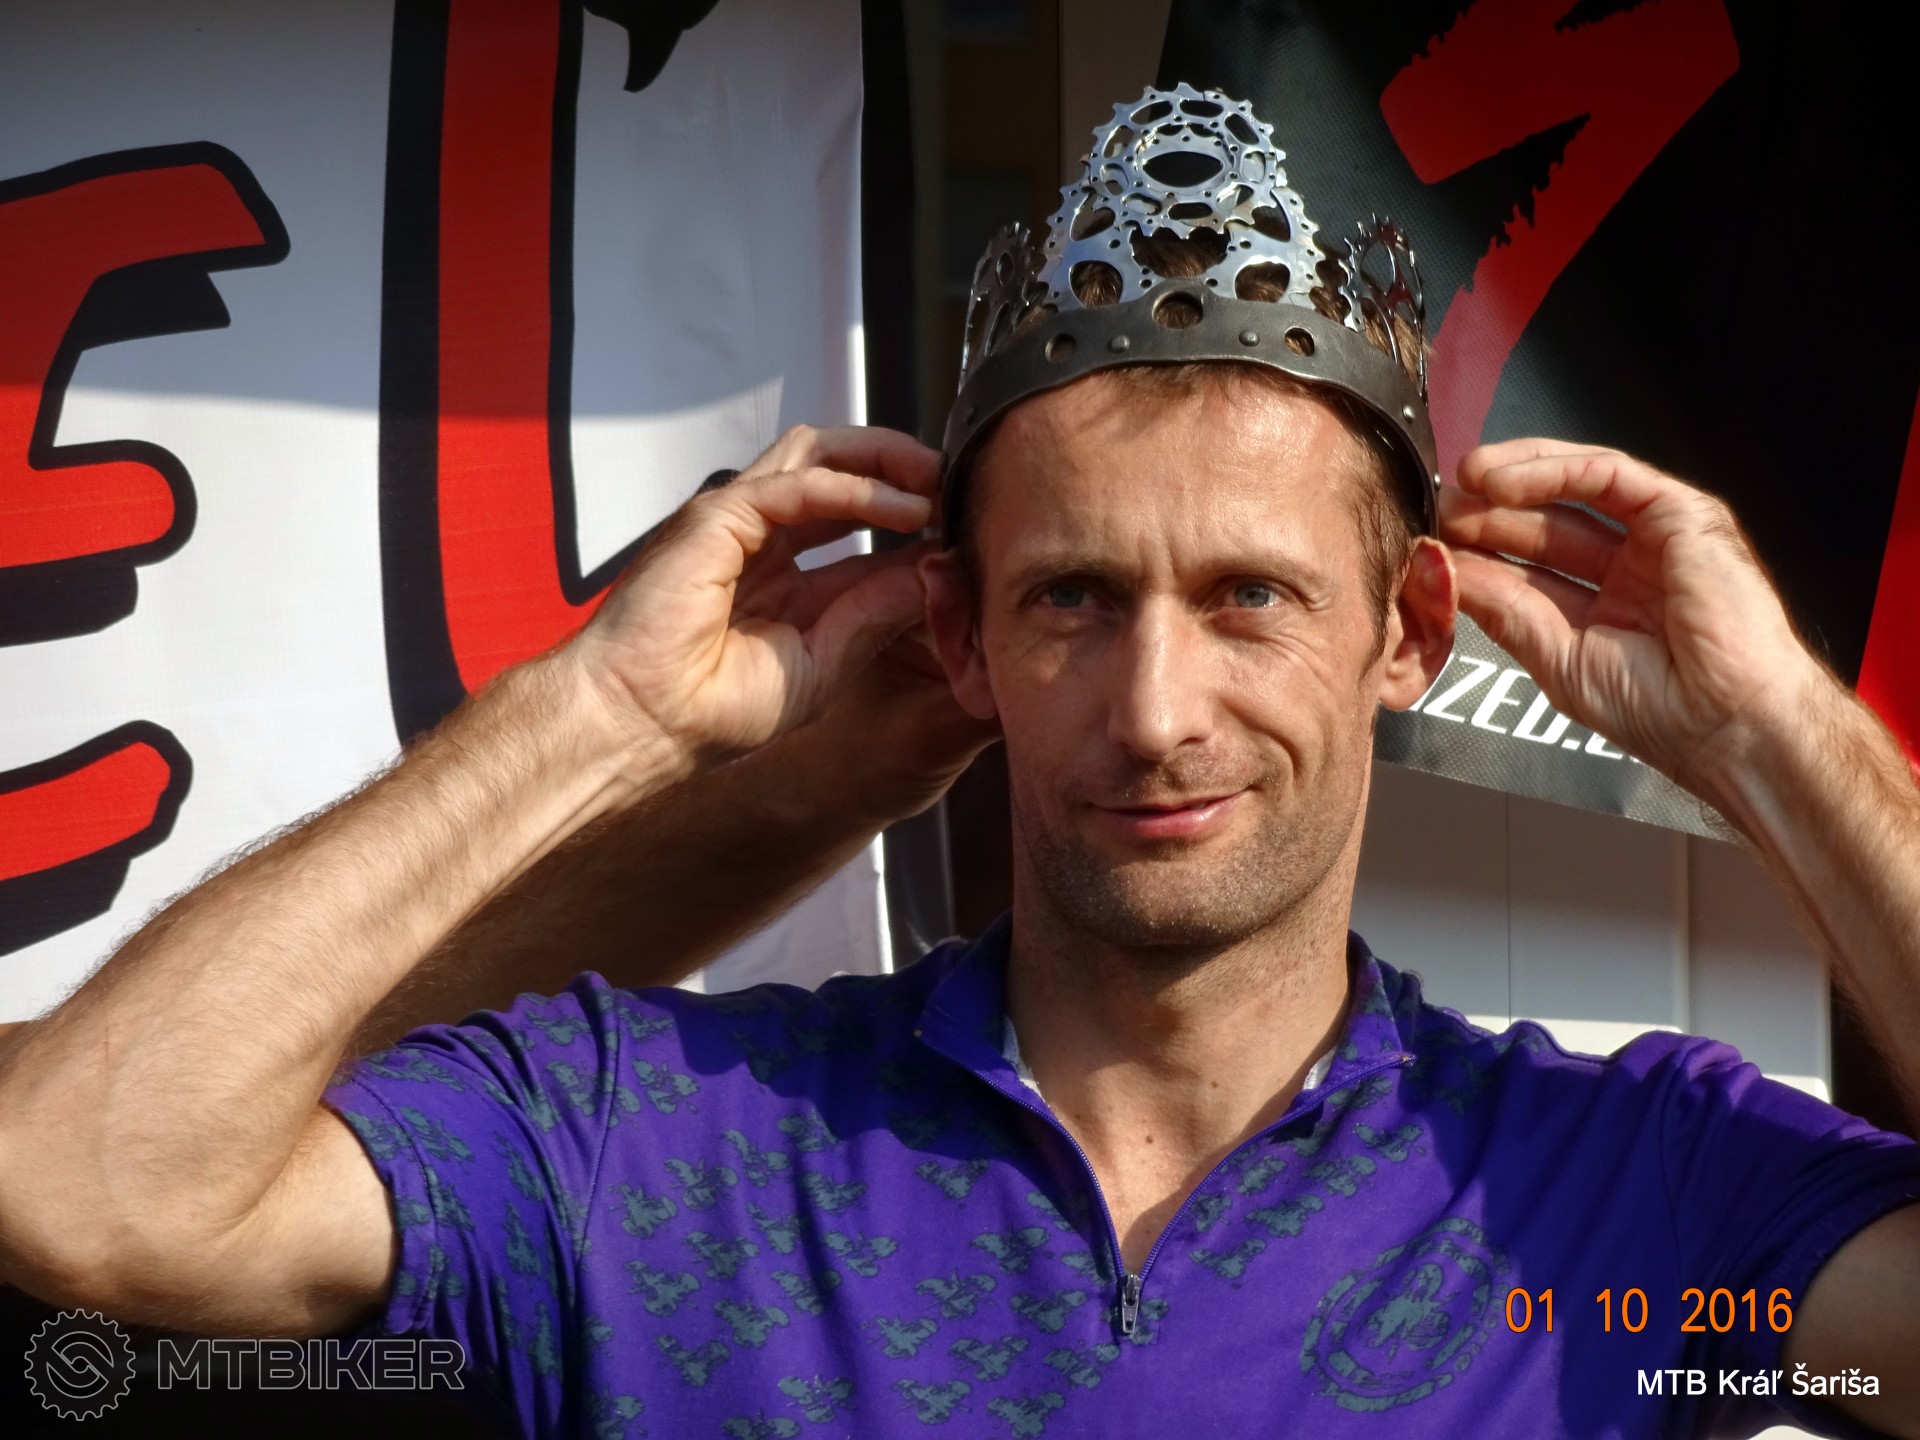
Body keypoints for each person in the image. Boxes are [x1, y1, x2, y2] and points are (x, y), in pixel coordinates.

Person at [2, 85, 1917, 1440]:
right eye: (1075, 598)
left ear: (1407, 633)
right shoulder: (656, 1143)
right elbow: (86, 1191)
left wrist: (1777, 734)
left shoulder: (1630, 1218)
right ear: (961, 636)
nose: (1155, 710)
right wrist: (596, 716)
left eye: (1250, 597)